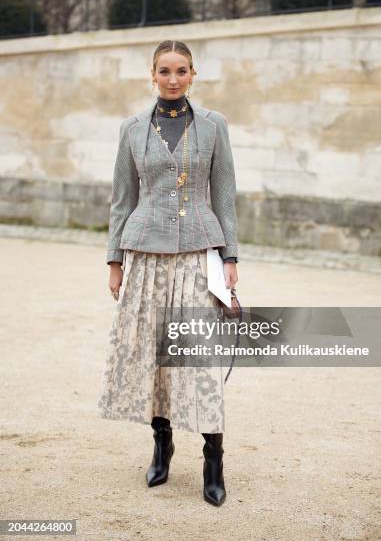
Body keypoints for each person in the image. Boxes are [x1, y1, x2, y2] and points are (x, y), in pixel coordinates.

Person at [97, 39, 239, 507]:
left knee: (198, 359)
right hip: (145, 257)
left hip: (199, 254)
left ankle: (213, 456)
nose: (173, 79)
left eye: (181, 71)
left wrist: (230, 258)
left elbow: (225, 196)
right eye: (164, 71)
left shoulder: (214, 126)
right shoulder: (133, 129)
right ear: (152, 75)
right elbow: (123, 199)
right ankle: (162, 444)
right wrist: (115, 260)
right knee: (155, 360)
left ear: (194, 74)